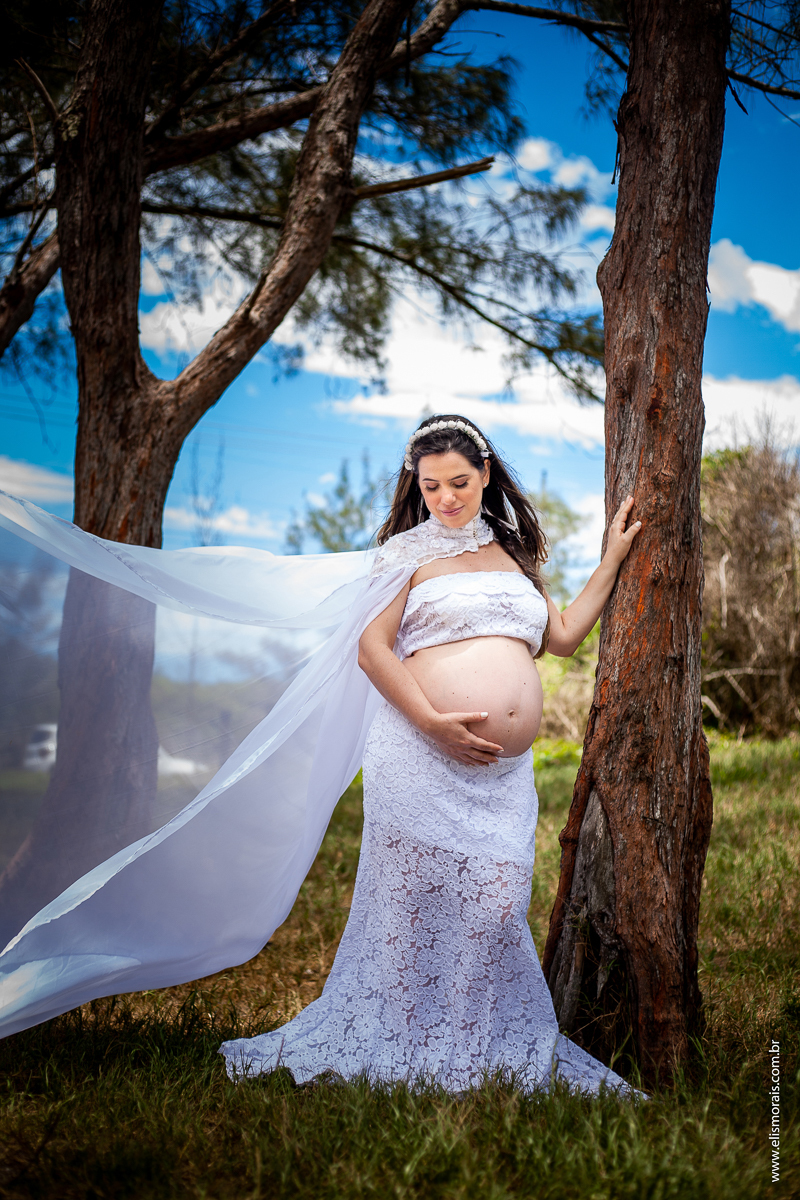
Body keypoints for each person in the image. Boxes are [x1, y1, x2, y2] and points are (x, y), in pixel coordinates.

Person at [219, 414, 642, 1094]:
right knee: (414, 906)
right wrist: (431, 721)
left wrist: (614, 560)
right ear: (416, 486)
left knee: (497, 905)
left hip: (501, 776)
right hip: (419, 751)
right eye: (432, 485)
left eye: (460, 482)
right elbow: (371, 648)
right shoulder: (405, 554)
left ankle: (473, 1048)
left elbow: (560, 637)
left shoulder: (513, 553)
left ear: (486, 477)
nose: (447, 497)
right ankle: (412, 1047)